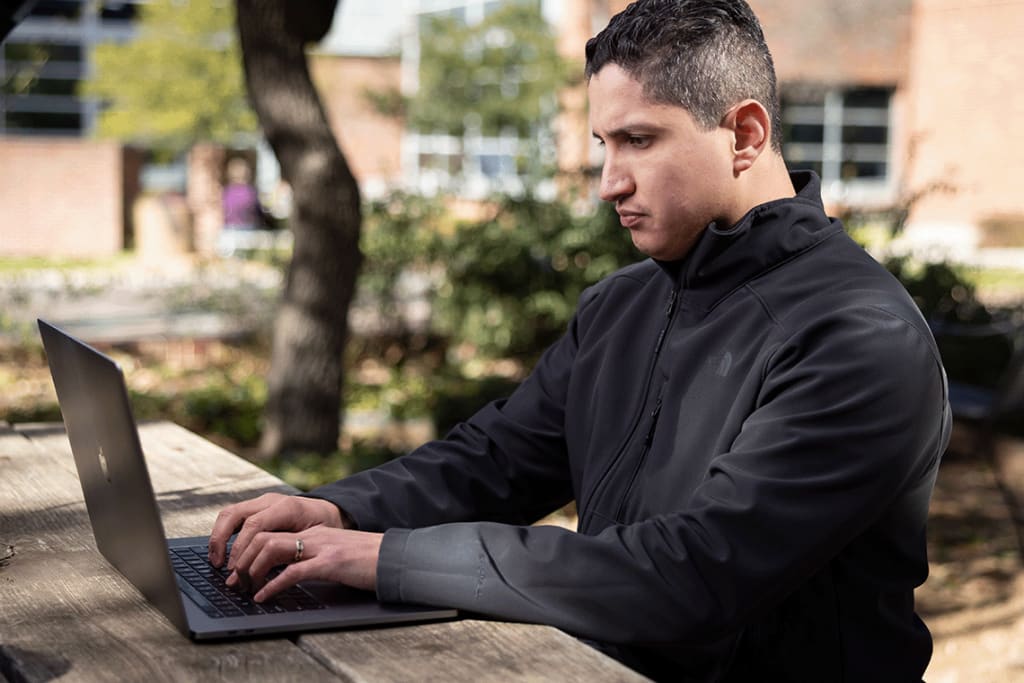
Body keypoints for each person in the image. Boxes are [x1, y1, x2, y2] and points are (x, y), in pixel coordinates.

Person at [208, 1, 950, 680]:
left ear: (746, 135)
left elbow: (690, 577)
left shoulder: (859, 337)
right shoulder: (623, 304)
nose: (608, 182)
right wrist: (340, 513)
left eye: (639, 140)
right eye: (603, 143)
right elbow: (497, 459)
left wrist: (386, 558)